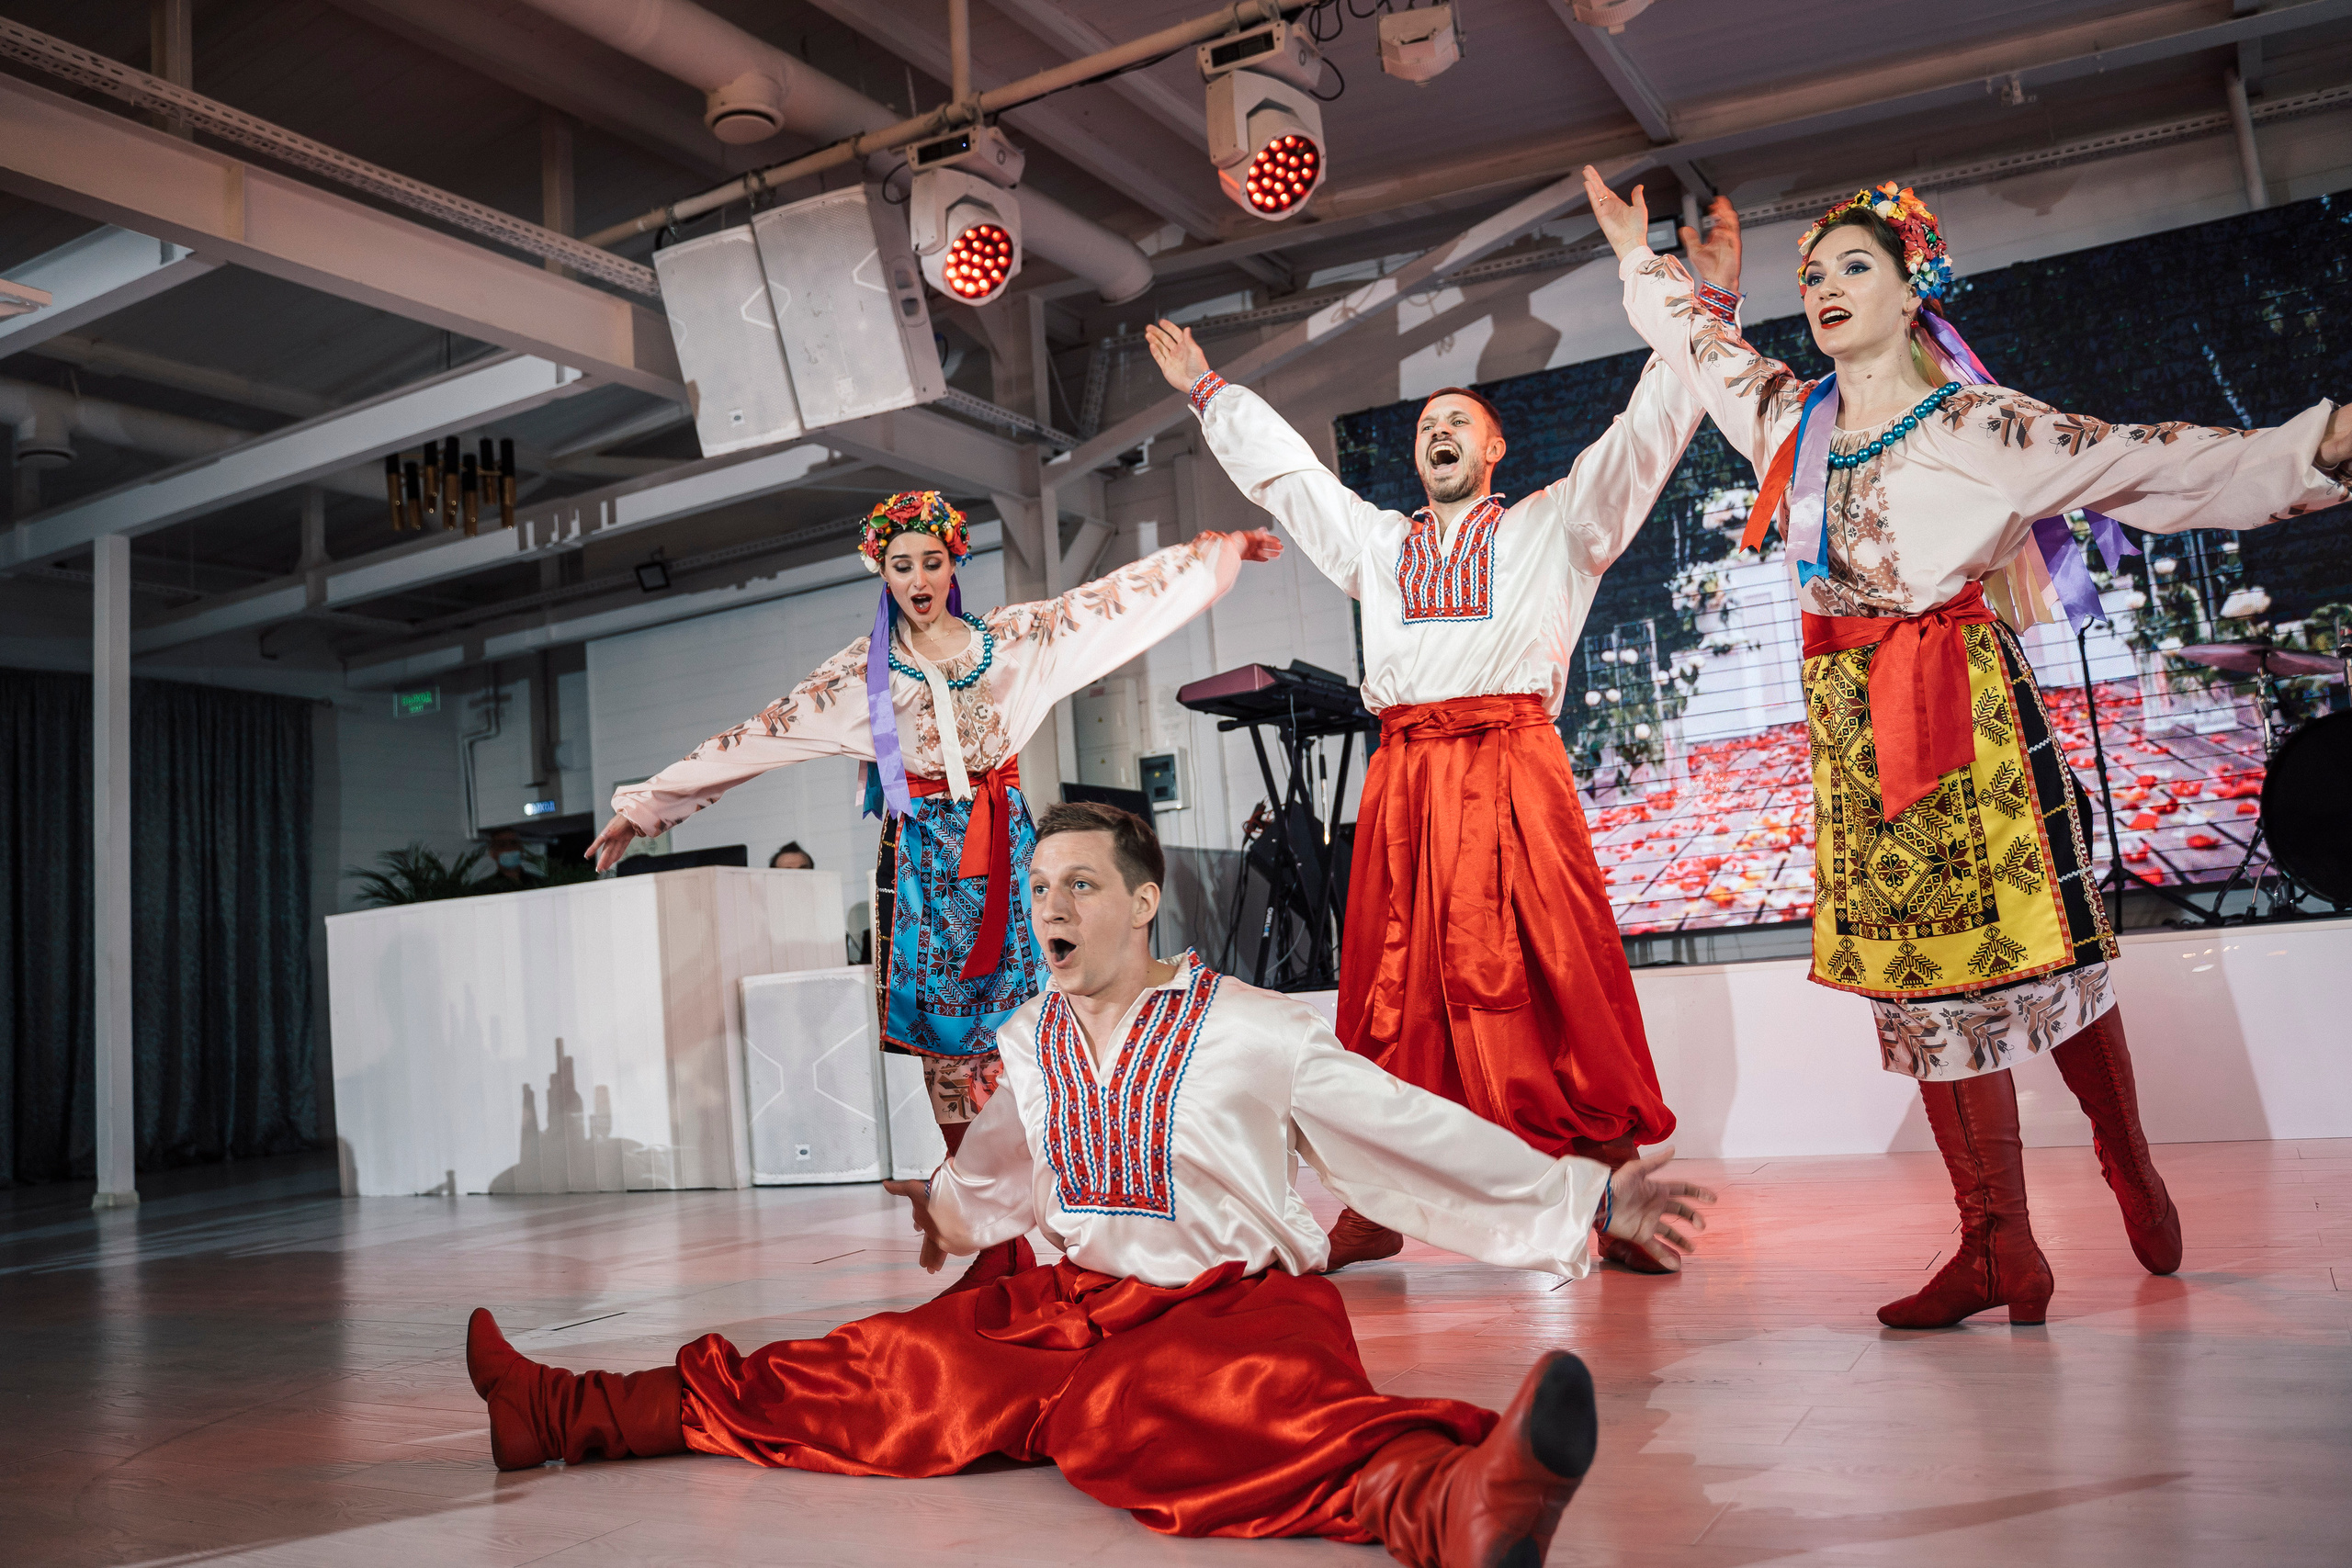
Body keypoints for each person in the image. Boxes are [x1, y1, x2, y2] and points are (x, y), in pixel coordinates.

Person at [466, 802, 1717, 1566]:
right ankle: (560, 1408)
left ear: (1141, 900)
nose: (1050, 904)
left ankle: (1456, 1499)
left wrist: (1591, 1196)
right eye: (1040, 884)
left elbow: (1405, 1127)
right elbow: (1006, 1162)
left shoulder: (1252, 1026)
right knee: (856, 1377)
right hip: (1058, 1299)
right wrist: (950, 1209)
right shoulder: (1027, 1036)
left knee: (1162, 1416)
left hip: (1232, 1306)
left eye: (1078, 883)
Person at [1588, 166, 2352, 1326]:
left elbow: (2145, 460)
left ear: (1910, 291)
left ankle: (2126, 1163)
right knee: (1917, 987)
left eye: (1853, 266)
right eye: (1812, 273)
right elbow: (1700, 351)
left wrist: (2323, 445)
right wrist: (1641, 265)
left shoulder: (1978, 423)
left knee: (2055, 962)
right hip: (1855, 738)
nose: (1824, 286)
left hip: (1969, 724)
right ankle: (1998, 1248)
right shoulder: (1794, 421)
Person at [1140, 227, 1747, 1274]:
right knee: (1394, 987)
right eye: (1427, 424)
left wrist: (1707, 308)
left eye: (1457, 421)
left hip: (1512, 763)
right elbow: (1294, 484)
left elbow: (1646, 432)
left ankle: (1614, 1177)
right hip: (1410, 777)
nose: (1438, 432)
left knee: (1560, 968)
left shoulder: (1553, 527)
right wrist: (1210, 397)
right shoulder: (1379, 546)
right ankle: (1380, 1196)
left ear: (1495, 449)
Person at [587, 491, 1280, 1293]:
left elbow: (1108, 607)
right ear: (881, 571)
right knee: (951, 1058)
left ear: (954, 564)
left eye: (931, 560)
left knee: (1046, 1038)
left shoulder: (1014, 640)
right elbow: (759, 735)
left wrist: (1213, 557)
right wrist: (644, 807)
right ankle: (991, 1248)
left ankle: (1099, 1219)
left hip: (1017, 861)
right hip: (925, 872)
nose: (917, 577)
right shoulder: (862, 676)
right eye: (901, 563)